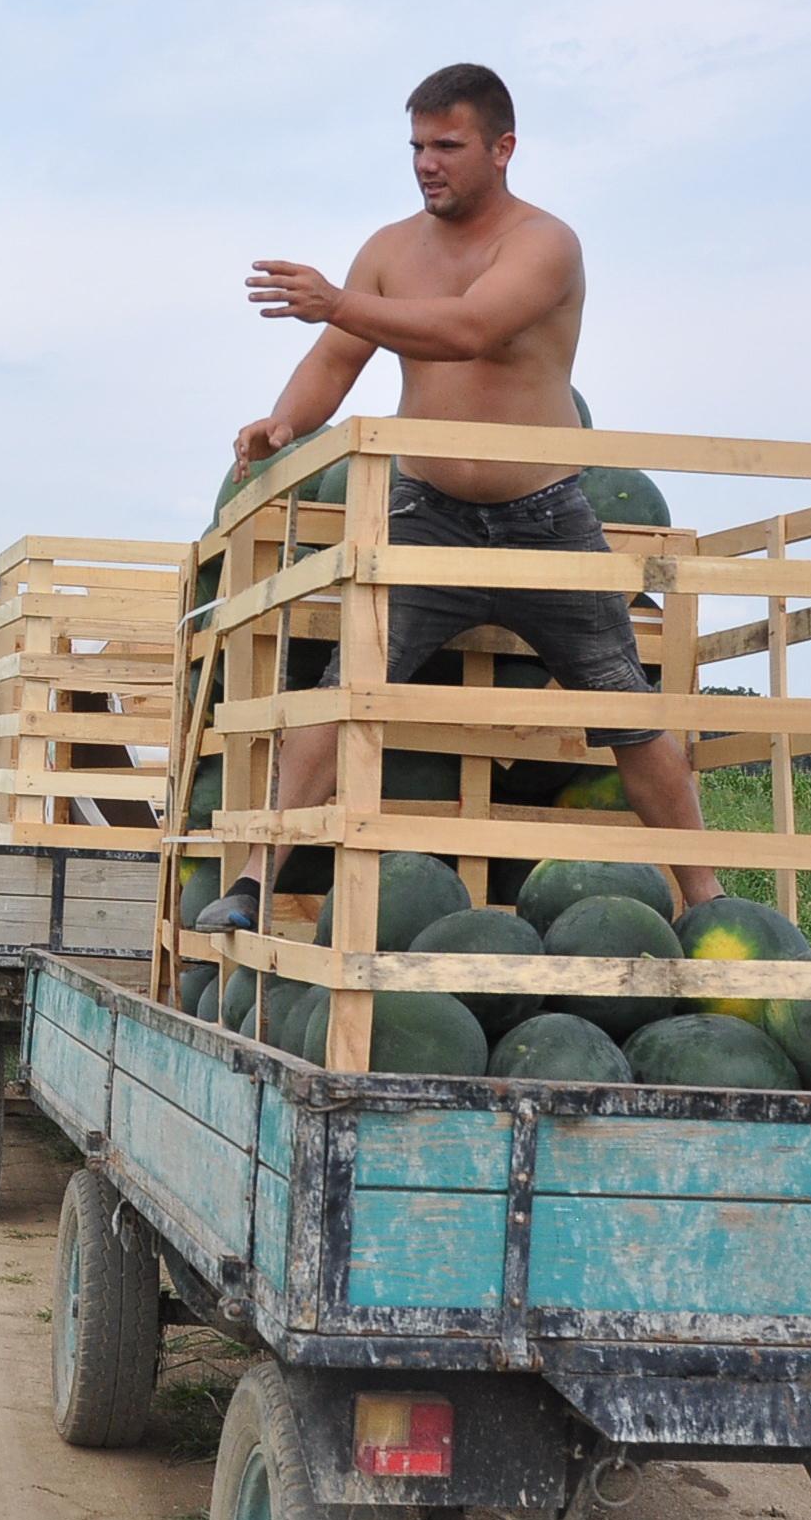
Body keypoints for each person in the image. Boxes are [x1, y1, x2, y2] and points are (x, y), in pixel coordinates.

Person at [194, 63, 721, 932]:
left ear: (503, 148)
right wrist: (282, 425)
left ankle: (708, 898)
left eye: (447, 146)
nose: (426, 163)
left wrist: (336, 298)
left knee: (625, 704)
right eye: (416, 147)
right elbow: (335, 361)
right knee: (346, 687)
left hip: (545, 517)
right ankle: (254, 883)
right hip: (425, 514)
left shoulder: (544, 243)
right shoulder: (389, 251)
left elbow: (472, 327)